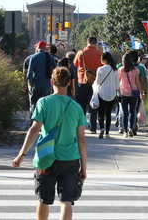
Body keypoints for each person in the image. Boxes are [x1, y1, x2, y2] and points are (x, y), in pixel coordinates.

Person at [12, 67, 88, 220]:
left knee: (44, 200)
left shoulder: (43, 103)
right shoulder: (76, 108)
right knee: (66, 201)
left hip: (46, 159)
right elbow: (81, 140)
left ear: (52, 81)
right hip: (69, 159)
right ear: (69, 83)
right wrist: (84, 168)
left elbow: (34, 130)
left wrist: (21, 155)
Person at [73, 37, 103, 134]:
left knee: (81, 105)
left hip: (82, 81)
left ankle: (81, 128)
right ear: (96, 43)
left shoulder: (80, 53)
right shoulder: (100, 54)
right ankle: (93, 127)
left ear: (87, 42)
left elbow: (75, 64)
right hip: (95, 83)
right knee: (93, 105)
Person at [92, 52, 119, 139]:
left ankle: (102, 129)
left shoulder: (100, 69)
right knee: (108, 114)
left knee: (101, 113)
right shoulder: (115, 70)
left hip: (102, 93)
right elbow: (117, 84)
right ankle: (107, 133)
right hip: (112, 94)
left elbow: (98, 82)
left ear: (104, 59)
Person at [118, 53, 144, 138]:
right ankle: (130, 129)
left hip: (123, 93)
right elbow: (137, 82)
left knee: (125, 113)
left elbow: (118, 82)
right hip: (134, 93)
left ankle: (125, 131)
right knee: (133, 112)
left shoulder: (121, 70)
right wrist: (141, 92)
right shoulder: (136, 70)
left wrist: (117, 92)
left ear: (123, 61)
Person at [26, 41, 56, 114]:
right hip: (47, 85)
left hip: (36, 84)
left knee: (35, 104)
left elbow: (29, 74)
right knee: (45, 104)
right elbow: (55, 71)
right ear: (45, 48)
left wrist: (30, 84)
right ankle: (44, 121)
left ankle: (34, 120)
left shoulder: (33, 57)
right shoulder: (50, 57)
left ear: (38, 48)